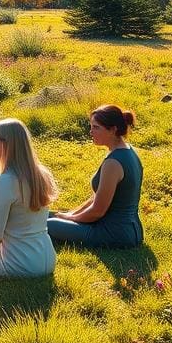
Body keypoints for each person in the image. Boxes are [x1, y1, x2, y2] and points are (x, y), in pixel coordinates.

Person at [47, 105, 143, 248]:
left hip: (114, 233)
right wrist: (69, 214)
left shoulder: (113, 163)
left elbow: (97, 211)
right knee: (47, 215)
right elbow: (97, 197)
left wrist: (71, 218)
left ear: (113, 129)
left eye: (96, 127)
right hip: (127, 230)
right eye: (91, 126)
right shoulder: (127, 151)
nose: (91, 132)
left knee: (47, 224)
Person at [0, 118, 58, 277]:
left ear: (6, 144)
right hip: (47, 259)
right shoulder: (42, 174)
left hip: (19, 263)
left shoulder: (5, 181)